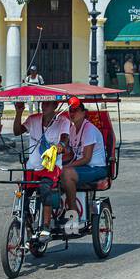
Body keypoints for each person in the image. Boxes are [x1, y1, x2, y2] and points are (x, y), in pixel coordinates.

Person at [12, 98, 70, 241]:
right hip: (32, 167)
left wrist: (60, 146)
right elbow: (17, 131)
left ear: (55, 106)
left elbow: (64, 138)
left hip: (51, 167)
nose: (43, 106)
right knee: (23, 193)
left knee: (45, 189)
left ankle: (45, 226)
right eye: (42, 103)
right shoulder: (33, 119)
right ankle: (29, 225)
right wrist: (18, 113)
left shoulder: (63, 121)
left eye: (47, 103)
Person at [59, 98, 108, 232]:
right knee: (55, 172)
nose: (72, 113)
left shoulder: (89, 129)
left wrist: (67, 167)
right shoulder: (72, 129)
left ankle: (73, 215)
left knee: (66, 174)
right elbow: (70, 154)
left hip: (96, 168)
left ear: (83, 112)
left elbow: (86, 158)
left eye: (75, 110)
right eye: (70, 110)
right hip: (81, 167)